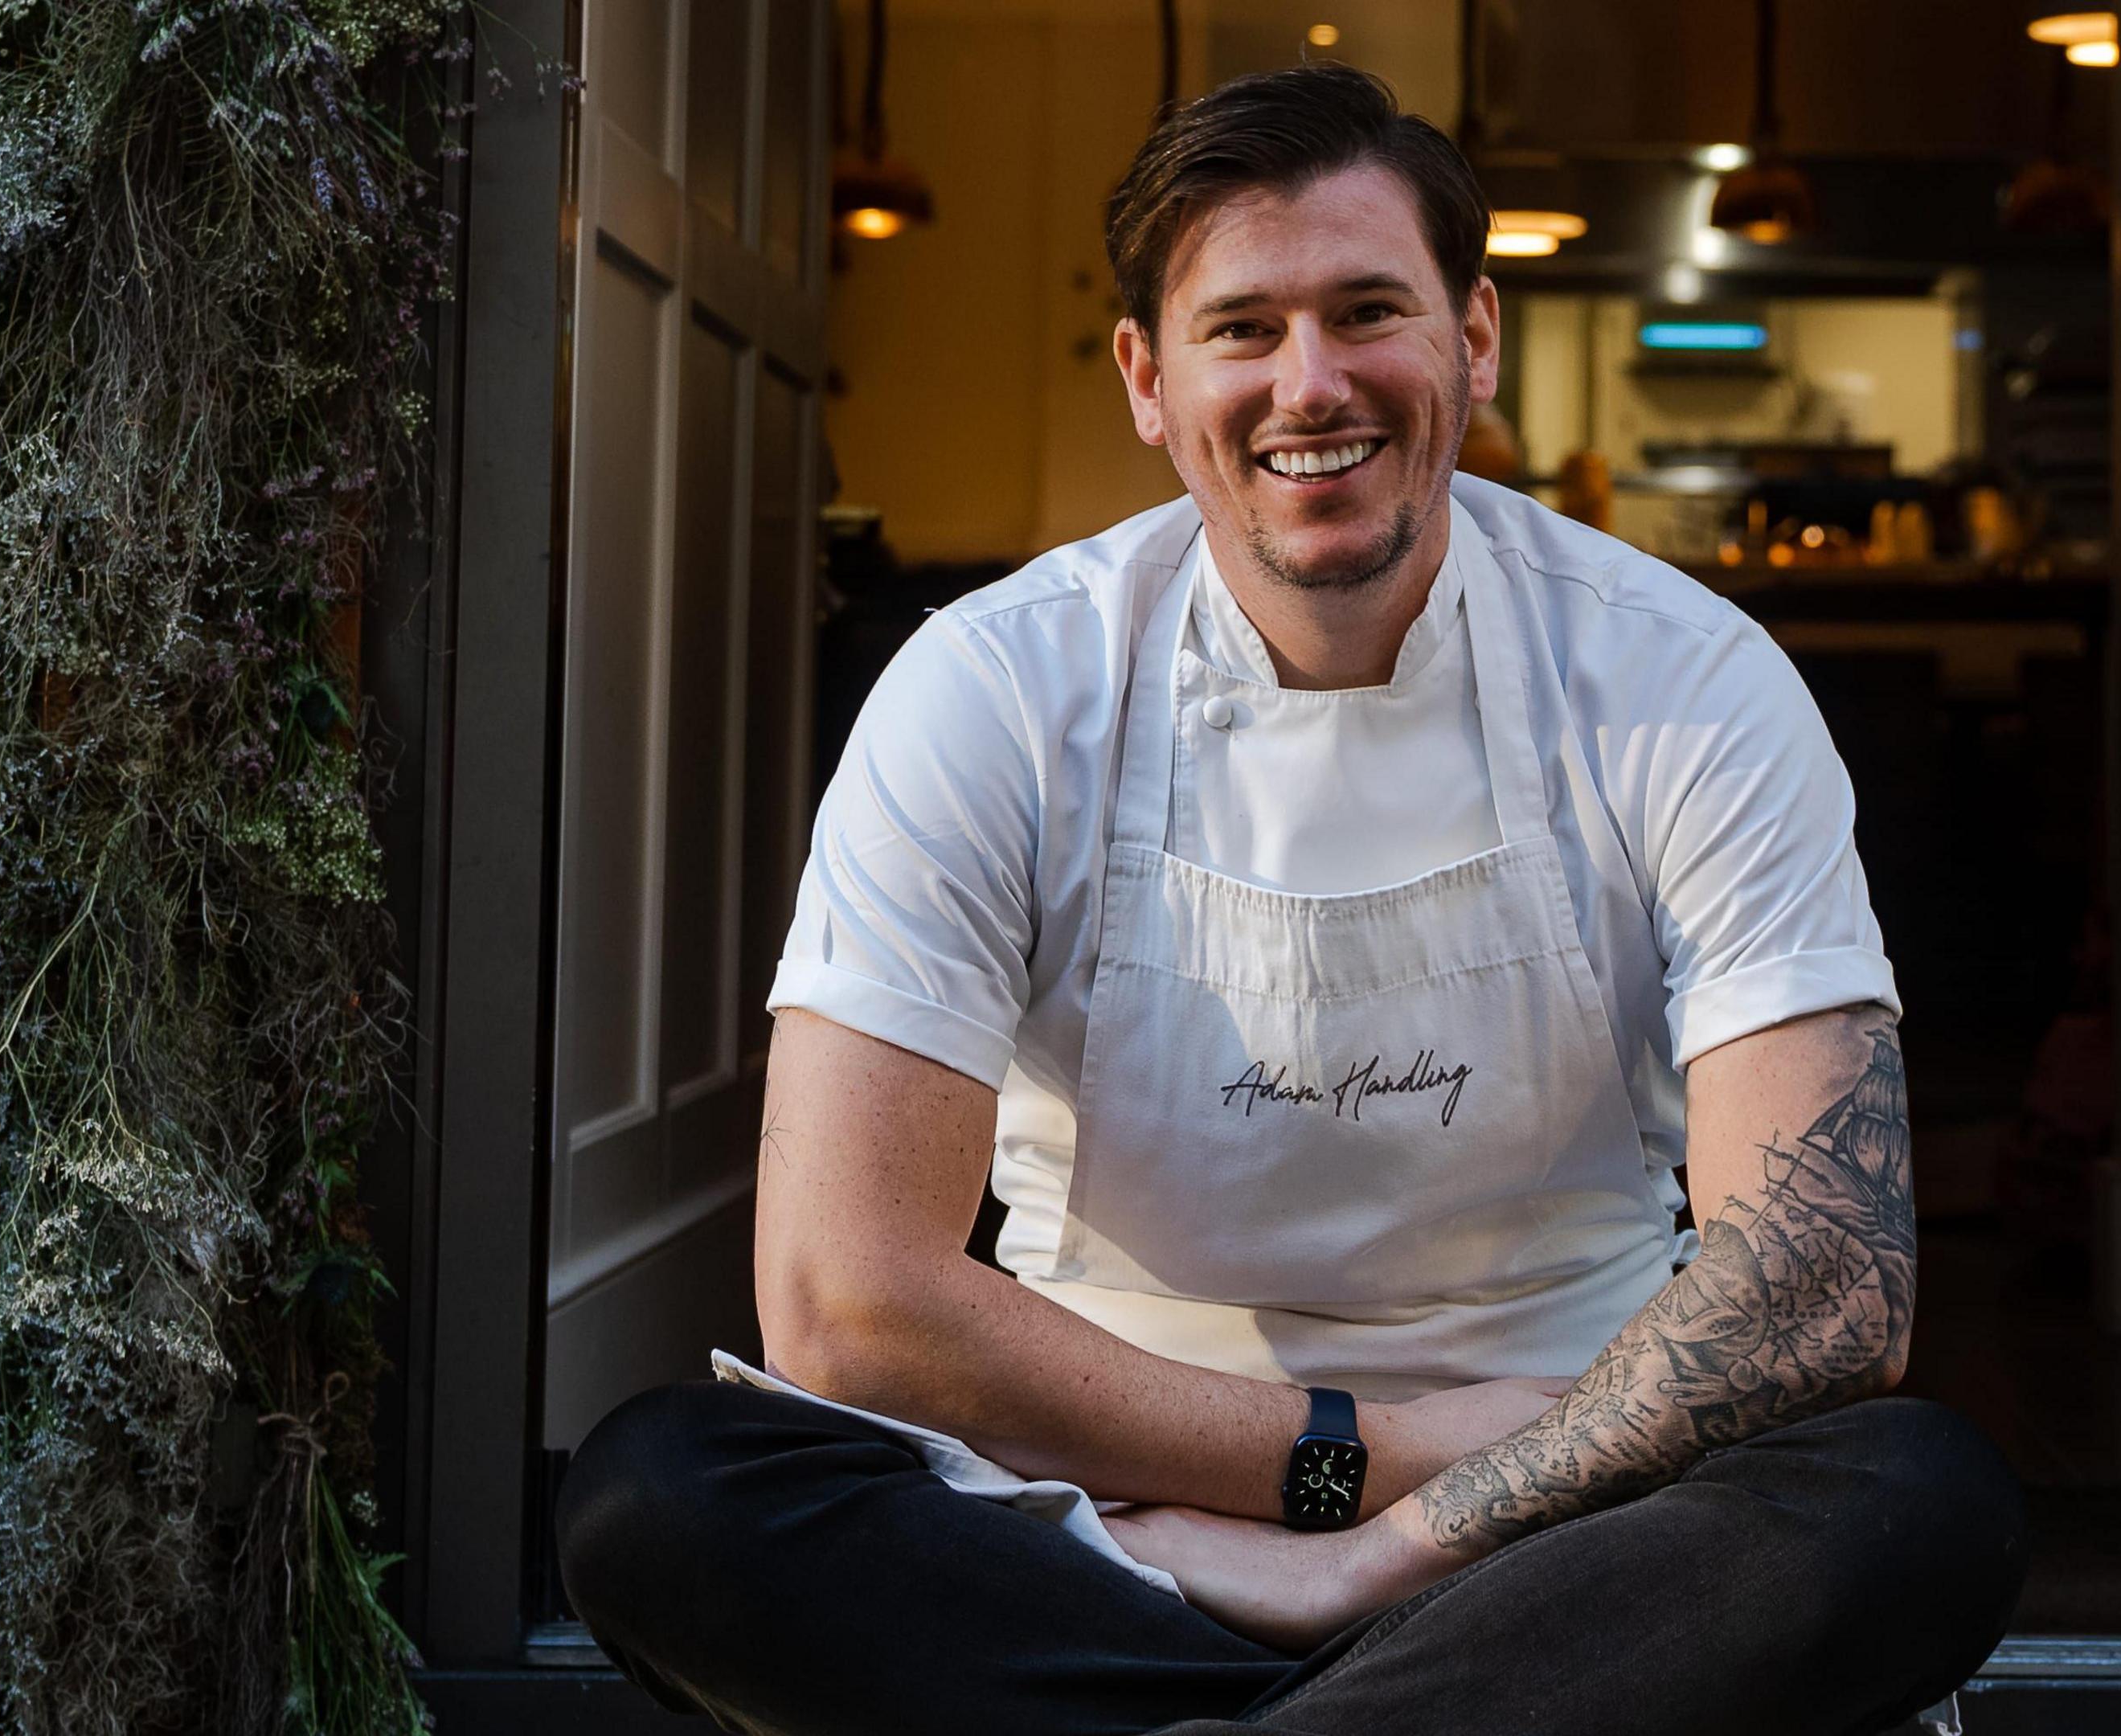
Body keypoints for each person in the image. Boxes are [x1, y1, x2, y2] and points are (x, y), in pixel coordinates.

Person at [556, 62, 2024, 1736]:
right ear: (1147, 378)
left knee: (1915, 1498)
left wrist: (1373, 1558)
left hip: (1566, 1521)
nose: (1309, 384)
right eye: (1243, 328)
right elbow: (846, 1301)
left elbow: (1828, 1283)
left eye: (1366, 311)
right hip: (1098, 1523)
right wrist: (1356, 1469)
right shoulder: (995, 686)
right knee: (659, 1495)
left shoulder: (1684, 680)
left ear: (1474, 342)